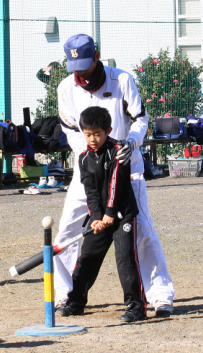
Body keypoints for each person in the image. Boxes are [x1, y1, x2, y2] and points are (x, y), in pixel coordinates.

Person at [53, 33, 174, 316]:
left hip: (125, 169)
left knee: (141, 232)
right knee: (67, 230)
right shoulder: (65, 88)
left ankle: (160, 295)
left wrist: (131, 143)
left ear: (97, 57)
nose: (80, 73)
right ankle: (65, 294)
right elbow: (71, 130)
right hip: (88, 171)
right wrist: (90, 156)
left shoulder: (121, 80)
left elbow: (140, 118)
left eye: (85, 64)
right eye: (75, 68)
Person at [59, 106, 146, 322]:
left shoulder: (118, 150)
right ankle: (76, 301)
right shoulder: (83, 159)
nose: (92, 139)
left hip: (121, 215)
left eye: (97, 134)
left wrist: (110, 213)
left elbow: (116, 183)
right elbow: (90, 192)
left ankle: (136, 307)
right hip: (101, 217)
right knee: (87, 257)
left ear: (108, 130)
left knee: (125, 259)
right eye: (88, 134)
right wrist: (96, 217)